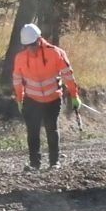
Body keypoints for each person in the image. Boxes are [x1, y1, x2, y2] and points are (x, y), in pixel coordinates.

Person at [12, 23, 82, 171]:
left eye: (33, 44)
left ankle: (54, 162)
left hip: (53, 99)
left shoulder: (56, 53)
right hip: (31, 100)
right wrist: (20, 99)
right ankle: (34, 164)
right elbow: (17, 80)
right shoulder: (20, 58)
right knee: (32, 131)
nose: (31, 48)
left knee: (52, 129)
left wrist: (74, 96)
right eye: (27, 46)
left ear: (39, 39)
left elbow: (68, 76)